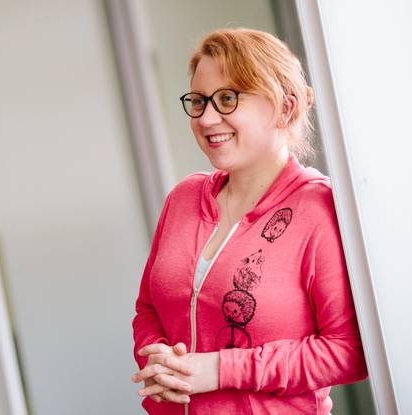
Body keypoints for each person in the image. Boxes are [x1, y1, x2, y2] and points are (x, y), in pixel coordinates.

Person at [130, 28, 368, 415]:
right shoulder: (183, 199)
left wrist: (222, 369)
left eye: (227, 99)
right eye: (199, 100)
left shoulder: (319, 208)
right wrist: (156, 356)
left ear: (285, 108)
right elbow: (148, 309)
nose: (206, 118)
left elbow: (350, 351)